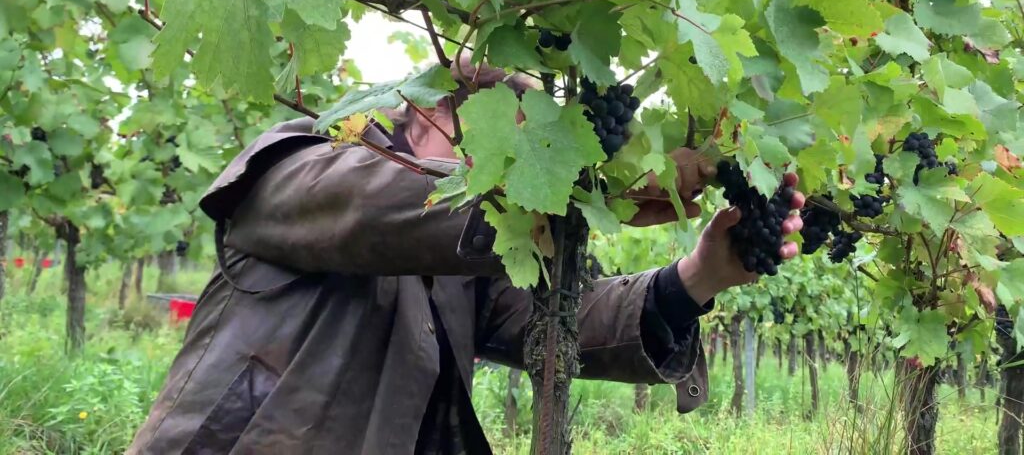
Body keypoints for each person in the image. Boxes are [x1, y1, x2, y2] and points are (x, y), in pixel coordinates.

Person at [127, 60, 805, 455]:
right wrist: (580, 187)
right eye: (506, 146)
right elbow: (372, 211)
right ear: (431, 115)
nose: (518, 170)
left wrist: (699, 277)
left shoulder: (466, 263)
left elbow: (563, 322)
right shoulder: (299, 167)